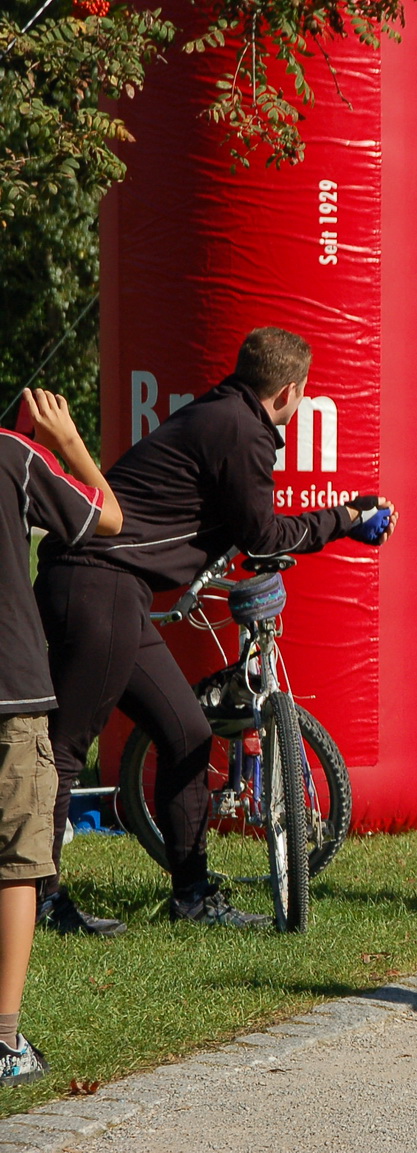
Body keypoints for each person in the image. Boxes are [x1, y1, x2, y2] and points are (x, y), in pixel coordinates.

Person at [35, 328, 396, 932]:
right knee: (64, 749)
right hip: (97, 581)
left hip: (115, 586)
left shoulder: (224, 410)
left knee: (186, 734)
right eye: (304, 396)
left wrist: (343, 515)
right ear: (291, 390)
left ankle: (194, 898)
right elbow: (262, 538)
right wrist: (346, 520)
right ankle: (40, 901)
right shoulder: (243, 429)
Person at [0, 391, 121, 1082]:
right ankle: (5, 1040)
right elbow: (108, 517)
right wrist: (69, 440)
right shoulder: (14, 456)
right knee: (17, 860)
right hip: (11, 687)